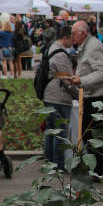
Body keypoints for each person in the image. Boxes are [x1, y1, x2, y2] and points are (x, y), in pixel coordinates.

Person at [70, 20, 103, 179]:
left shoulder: (93, 47)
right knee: (90, 135)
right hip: (93, 95)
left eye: (74, 33)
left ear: (83, 32)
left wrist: (81, 80)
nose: (72, 36)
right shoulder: (88, 45)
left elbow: (102, 73)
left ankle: (101, 171)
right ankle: (100, 169)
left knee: (94, 135)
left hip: (99, 96)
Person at [42, 26, 74, 169]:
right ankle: (58, 165)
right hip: (58, 97)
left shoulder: (52, 48)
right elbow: (67, 78)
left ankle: (49, 160)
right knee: (60, 132)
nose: (73, 42)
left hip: (50, 95)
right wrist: (79, 93)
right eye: (72, 39)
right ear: (65, 38)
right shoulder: (60, 54)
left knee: (51, 129)